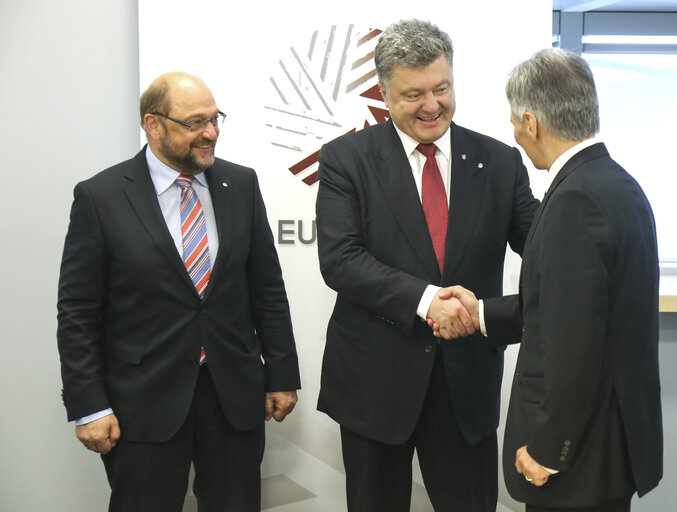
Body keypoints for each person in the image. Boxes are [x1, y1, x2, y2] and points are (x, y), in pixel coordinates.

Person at [315, 19, 540, 512]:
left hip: (466, 387)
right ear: (384, 93)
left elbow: (544, 246)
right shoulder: (345, 160)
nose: (433, 105)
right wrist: (425, 302)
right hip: (375, 386)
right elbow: (340, 259)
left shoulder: (500, 161)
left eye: (442, 88)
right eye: (414, 94)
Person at [56, 72, 301, 512]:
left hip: (232, 396)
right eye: (195, 123)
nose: (211, 133)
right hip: (142, 401)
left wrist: (281, 373)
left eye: (215, 119)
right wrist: (88, 406)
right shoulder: (102, 196)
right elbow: (77, 312)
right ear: (153, 124)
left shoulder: (240, 184)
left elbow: (267, 289)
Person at [436, 48, 663, 511]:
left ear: (532, 122)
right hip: (608, 445)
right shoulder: (616, 184)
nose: (515, 134)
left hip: (577, 457)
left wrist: (548, 448)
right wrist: (481, 312)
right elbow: (573, 307)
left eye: (515, 122)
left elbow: (574, 344)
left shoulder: (574, 201)